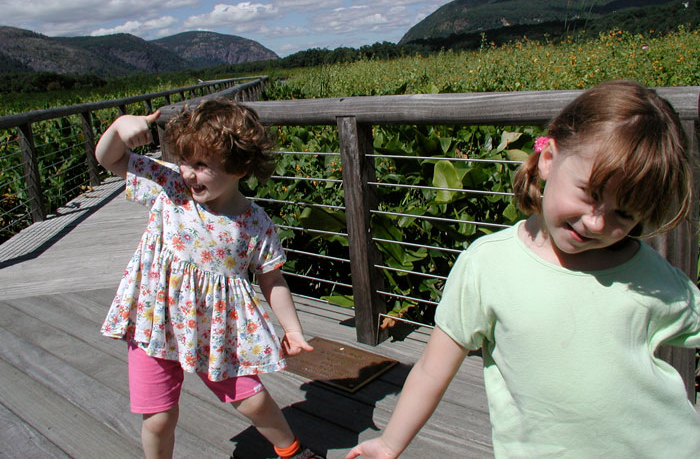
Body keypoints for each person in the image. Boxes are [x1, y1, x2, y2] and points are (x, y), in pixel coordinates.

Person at [346, 80, 700, 458]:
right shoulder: (489, 265)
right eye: (590, 194)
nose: (596, 223)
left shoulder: (648, 274)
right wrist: (389, 443)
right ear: (548, 159)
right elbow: (432, 371)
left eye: (624, 214)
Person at [95, 98, 323, 459]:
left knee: (253, 400)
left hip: (215, 329)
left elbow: (272, 279)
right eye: (184, 160)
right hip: (153, 322)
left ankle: (291, 451)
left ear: (239, 166)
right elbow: (110, 159)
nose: (187, 172)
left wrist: (291, 329)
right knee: (158, 417)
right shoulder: (169, 188)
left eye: (201, 164)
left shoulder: (254, 223)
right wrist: (119, 126)